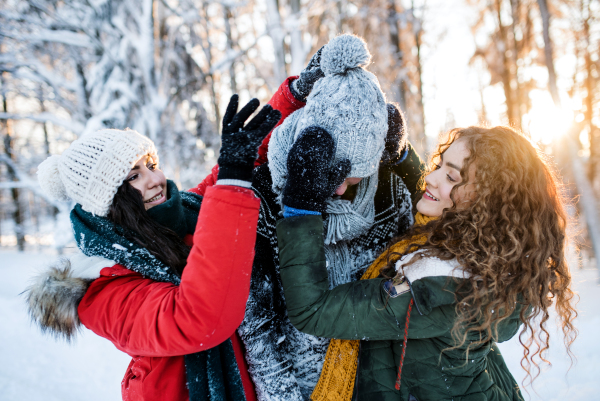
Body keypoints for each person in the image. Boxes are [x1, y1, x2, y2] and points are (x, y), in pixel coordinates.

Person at [195, 34, 426, 400]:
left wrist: (407, 163)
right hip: (309, 387)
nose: (337, 190)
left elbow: (436, 244)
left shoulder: (393, 190)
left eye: (350, 176)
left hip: (385, 381)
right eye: (330, 174)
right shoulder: (267, 196)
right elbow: (256, 327)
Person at [276, 125, 578, 400]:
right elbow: (432, 215)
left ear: (484, 202)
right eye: (439, 164)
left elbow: (312, 311)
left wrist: (300, 207)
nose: (431, 178)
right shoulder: (489, 259)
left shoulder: (432, 289)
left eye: (451, 176)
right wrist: (403, 154)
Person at [25, 96, 281, 401]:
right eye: (134, 175)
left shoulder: (176, 219)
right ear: (107, 202)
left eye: (152, 165)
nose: (156, 179)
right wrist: (232, 180)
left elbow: (227, 175)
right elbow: (197, 319)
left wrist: (294, 94)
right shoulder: (105, 293)